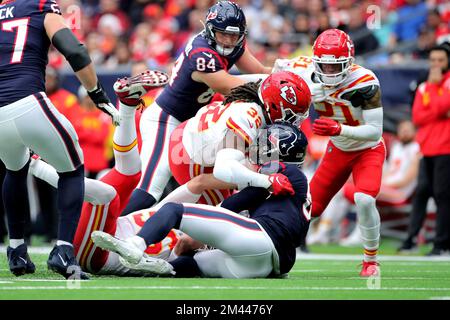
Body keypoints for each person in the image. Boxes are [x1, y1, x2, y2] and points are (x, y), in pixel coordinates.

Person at [92, 122, 311, 279]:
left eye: (263, 148)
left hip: (258, 239)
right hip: (267, 265)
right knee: (189, 264)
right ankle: (159, 266)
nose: (255, 152)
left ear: (276, 151)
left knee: (174, 211)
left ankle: (134, 245)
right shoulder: (301, 188)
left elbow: (234, 204)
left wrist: (197, 233)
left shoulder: (285, 172)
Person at [0, 0, 120, 279]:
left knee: (14, 169)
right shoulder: (39, 6)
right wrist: (97, 95)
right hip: (28, 100)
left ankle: (16, 250)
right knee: (73, 169)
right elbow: (74, 50)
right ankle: (63, 250)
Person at [122, 1, 272, 215]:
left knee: (208, 187)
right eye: (223, 34)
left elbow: (261, 70)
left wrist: (290, 71)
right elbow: (227, 84)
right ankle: (110, 229)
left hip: (191, 126)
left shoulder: (233, 45)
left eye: (234, 35)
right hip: (167, 120)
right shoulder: (202, 53)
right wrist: (273, 82)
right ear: (211, 30)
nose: (229, 41)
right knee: (150, 189)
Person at [29, 70, 172, 275]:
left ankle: (34, 164)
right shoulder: (188, 216)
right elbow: (189, 193)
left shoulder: (206, 253)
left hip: (100, 253)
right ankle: (127, 103)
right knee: (130, 175)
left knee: (106, 195)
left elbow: (179, 265)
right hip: (113, 230)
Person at [273, 29, 385, 276]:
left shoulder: (365, 81)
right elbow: (274, 72)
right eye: (324, 66)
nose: (330, 72)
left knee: (364, 199)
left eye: (336, 67)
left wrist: (338, 128)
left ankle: (370, 260)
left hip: (368, 150)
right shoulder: (304, 71)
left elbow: (375, 132)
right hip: (339, 149)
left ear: (349, 62)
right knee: (308, 208)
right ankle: (274, 249)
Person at [168, 71, 311, 205]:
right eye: (293, 115)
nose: (296, 123)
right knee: (218, 217)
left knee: (258, 178)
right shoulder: (248, 117)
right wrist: (267, 181)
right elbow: (223, 169)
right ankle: (154, 219)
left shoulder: (260, 105)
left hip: (196, 135)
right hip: (190, 157)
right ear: (274, 106)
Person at [411, 44, 450, 256]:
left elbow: (439, 107)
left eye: (440, 60)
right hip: (427, 147)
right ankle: (413, 239)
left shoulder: (438, 85)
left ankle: (441, 243)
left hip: (446, 147)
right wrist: (439, 111)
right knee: (426, 193)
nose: (435, 64)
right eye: (433, 60)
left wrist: (436, 91)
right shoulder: (425, 86)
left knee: (443, 196)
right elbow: (417, 117)